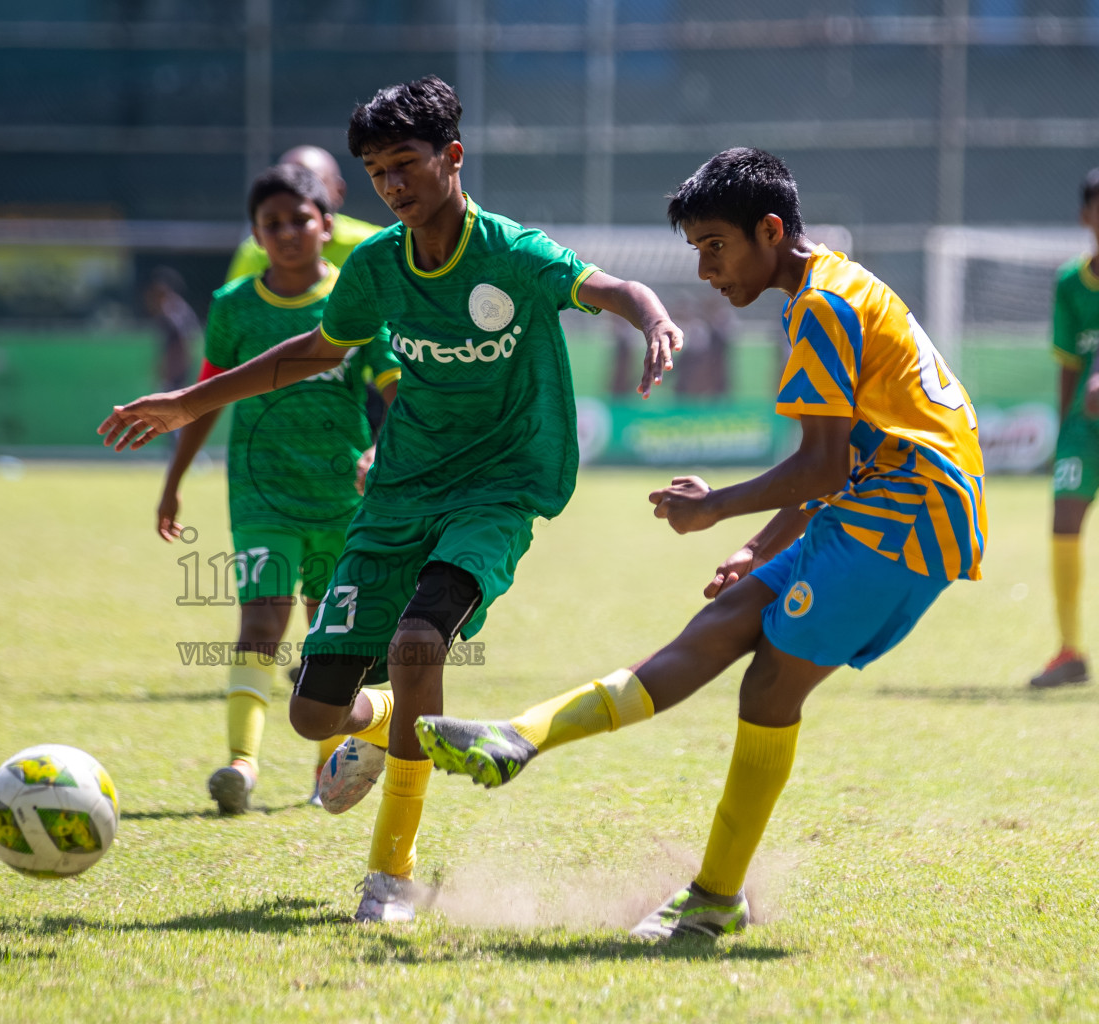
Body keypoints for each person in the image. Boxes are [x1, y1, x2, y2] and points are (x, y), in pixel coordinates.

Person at [100, 76, 683, 922]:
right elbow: (317, 347)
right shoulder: (374, 266)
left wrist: (652, 316)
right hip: (399, 493)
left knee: (419, 643)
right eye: (377, 173)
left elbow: (608, 289)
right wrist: (191, 403)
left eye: (405, 164)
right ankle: (381, 728)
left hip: (498, 487)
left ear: (451, 156)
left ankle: (391, 874)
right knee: (312, 714)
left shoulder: (512, 253)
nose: (393, 186)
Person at [416, 147, 986, 941]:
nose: (707, 269)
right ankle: (521, 736)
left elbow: (822, 464)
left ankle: (715, 897)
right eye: (697, 252)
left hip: (906, 518)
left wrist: (716, 507)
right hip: (884, 501)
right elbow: (845, 457)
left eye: (716, 246)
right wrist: (760, 544)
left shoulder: (821, 307)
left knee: (767, 689)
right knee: (716, 632)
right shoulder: (835, 284)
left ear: (771, 229)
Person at [158, 164, 400, 815]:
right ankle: (241, 765)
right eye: (273, 223)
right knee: (261, 623)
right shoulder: (234, 305)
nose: (289, 232)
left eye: (301, 219)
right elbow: (206, 396)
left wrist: (382, 446)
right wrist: (174, 480)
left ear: (327, 226)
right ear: (257, 235)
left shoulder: (353, 302)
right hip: (261, 498)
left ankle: (328, 768)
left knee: (332, 637)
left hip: (341, 500)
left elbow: (393, 389)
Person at [1030, 166, 1099, 688]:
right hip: (1084, 426)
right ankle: (1070, 650)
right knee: (1064, 520)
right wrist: (1062, 431)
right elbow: (1069, 366)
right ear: (1085, 216)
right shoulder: (1071, 282)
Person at [224, 145, 384, 283]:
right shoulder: (255, 252)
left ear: (339, 191)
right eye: (287, 184)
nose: (287, 233)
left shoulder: (374, 244)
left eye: (314, 184)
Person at [145, 266, 202, 395]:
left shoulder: (170, 309)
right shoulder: (176, 306)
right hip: (179, 374)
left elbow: (182, 341)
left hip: (176, 377)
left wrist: (170, 375)